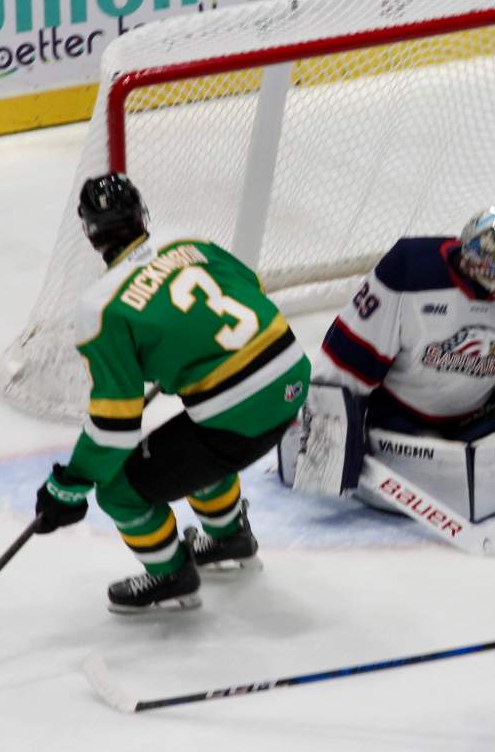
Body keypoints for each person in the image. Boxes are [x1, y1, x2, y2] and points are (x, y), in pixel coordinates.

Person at [31, 173, 311, 613]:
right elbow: (250, 288)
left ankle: (170, 576)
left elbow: (115, 424)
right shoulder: (186, 241)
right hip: (293, 380)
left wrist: (70, 484)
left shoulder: (101, 306)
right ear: (142, 214)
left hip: (239, 417)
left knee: (121, 489)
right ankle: (229, 538)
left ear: (90, 234)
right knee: (194, 444)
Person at [278, 203, 495, 526]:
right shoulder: (410, 270)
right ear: (478, 262)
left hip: (473, 417)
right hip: (397, 414)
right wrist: (330, 429)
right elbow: (348, 354)